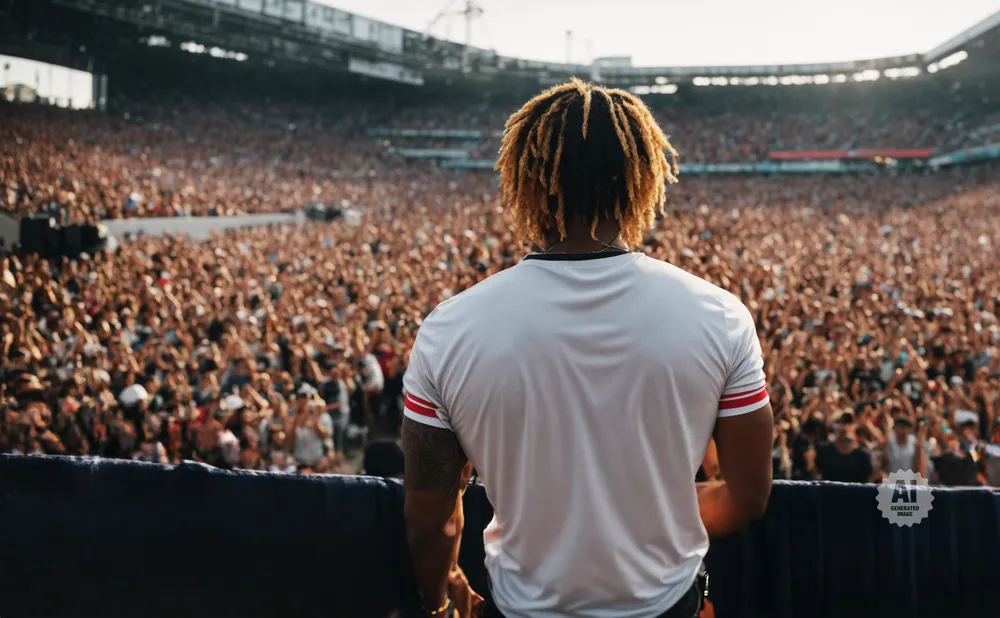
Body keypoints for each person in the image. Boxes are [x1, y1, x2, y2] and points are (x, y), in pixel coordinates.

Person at [400, 80, 773, 618]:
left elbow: (431, 519)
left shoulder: (450, 328)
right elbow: (748, 495)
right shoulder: (721, 316)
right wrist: (648, 510)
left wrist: (441, 597)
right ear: (642, 179)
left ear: (524, 180)